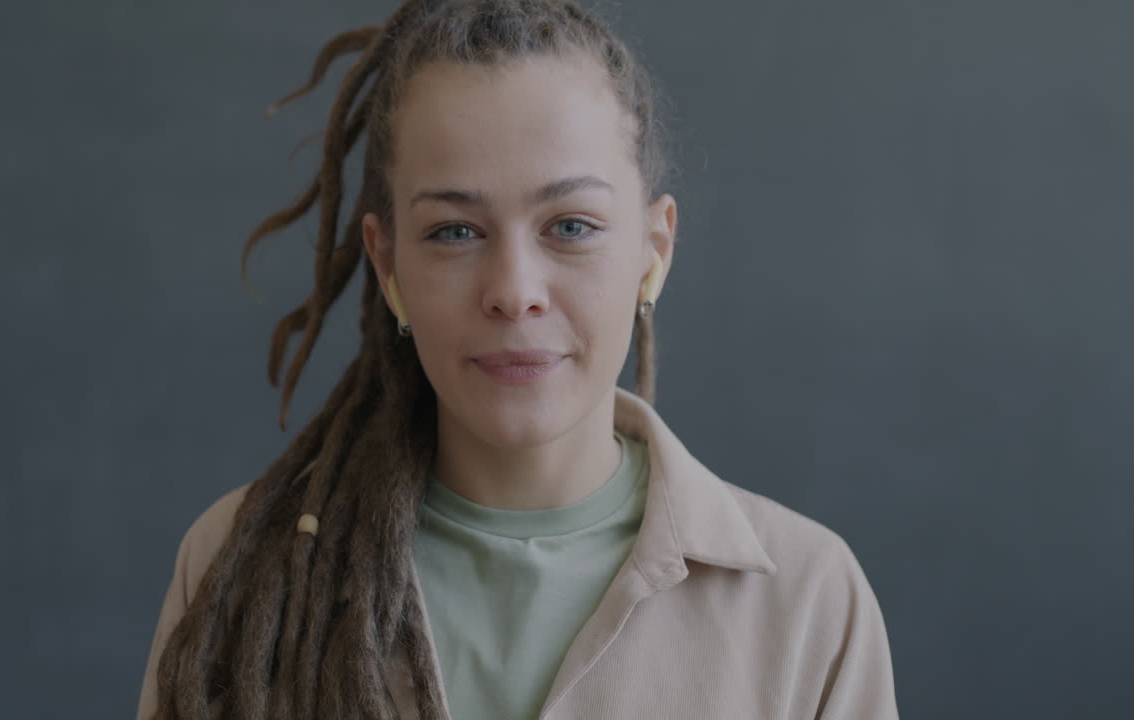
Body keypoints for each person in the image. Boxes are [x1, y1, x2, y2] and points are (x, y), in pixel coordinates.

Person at [136, 1, 899, 718]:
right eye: (455, 232)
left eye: (570, 226)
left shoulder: (808, 601)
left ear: (652, 252)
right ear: (388, 264)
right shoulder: (236, 567)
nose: (513, 292)